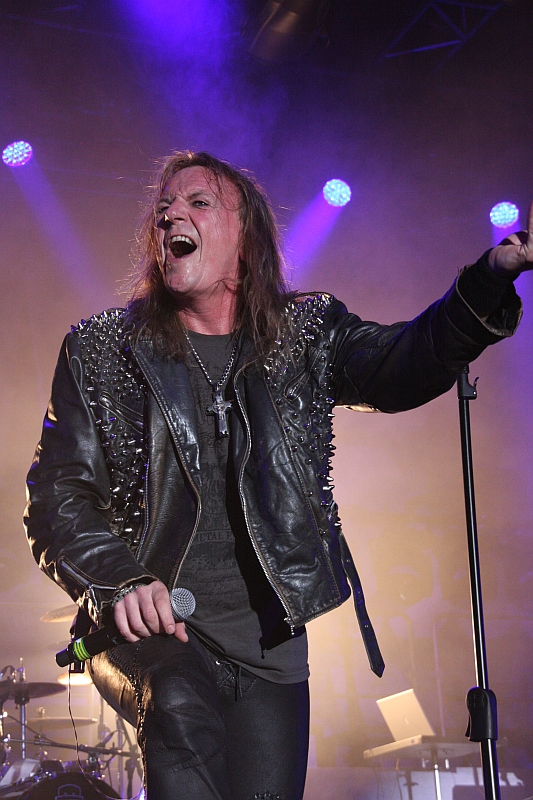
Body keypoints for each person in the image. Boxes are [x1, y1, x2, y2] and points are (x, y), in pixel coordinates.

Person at [24, 150, 531, 800]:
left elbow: (404, 362)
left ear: (246, 238)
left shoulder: (305, 335)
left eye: (198, 202)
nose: (171, 215)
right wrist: (118, 581)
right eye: (163, 208)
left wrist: (491, 276)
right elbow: (58, 496)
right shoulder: (100, 351)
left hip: (268, 651)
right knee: (177, 700)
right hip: (148, 633)